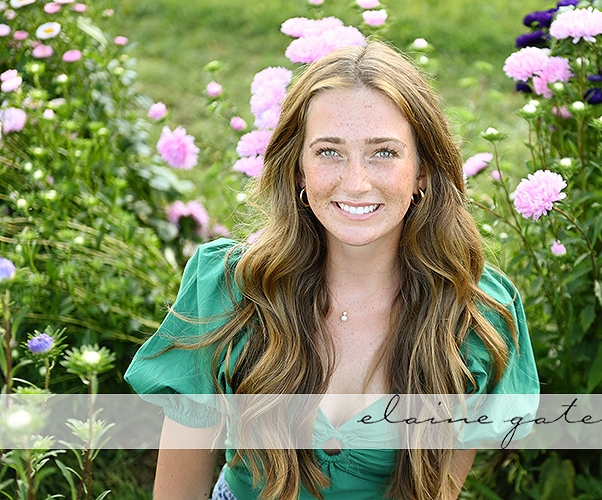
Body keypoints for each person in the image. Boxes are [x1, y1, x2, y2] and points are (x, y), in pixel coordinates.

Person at [125, 40, 539, 500]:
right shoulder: (227, 287)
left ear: (422, 171)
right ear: (298, 170)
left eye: (384, 152)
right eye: (328, 151)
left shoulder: (476, 314)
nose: (356, 183)